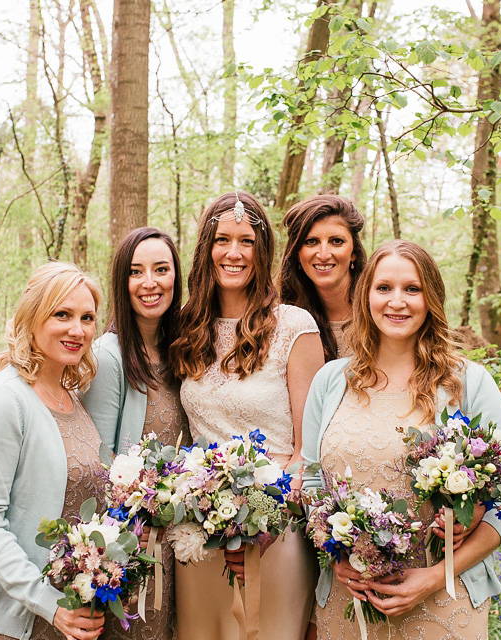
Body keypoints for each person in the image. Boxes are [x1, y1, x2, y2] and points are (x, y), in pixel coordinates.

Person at [301, 240, 501, 639]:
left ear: (431, 298)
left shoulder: (468, 383)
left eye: (412, 289)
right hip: (349, 598)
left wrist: (434, 578)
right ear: (365, 296)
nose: (397, 302)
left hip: (443, 600)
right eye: (384, 288)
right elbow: (311, 482)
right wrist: (334, 554)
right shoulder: (330, 381)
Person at [170, 191, 325, 640]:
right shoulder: (185, 328)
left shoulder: (295, 328)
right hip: (197, 534)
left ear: (263, 252)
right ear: (206, 249)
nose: (234, 253)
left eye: (246, 242)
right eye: (223, 240)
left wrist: (265, 517)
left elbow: (308, 450)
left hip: (273, 531)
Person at [0, 262, 107, 640]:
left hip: (67, 612)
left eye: (87, 318)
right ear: (32, 317)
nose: (77, 329)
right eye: (62, 314)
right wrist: (47, 604)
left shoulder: (71, 398)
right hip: (12, 617)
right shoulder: (2, 401)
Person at [82, 227, 189, 640]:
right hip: (133, 546)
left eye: (161, 269)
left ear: (175, 277)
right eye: (136, 271)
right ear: (121, 282)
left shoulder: (180, 350)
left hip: (180, 540)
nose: (150, 283)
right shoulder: (110, 357)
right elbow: (99, 462)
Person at [279, 195, 367, 361]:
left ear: (354, 252)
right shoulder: (284, 320)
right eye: (311, 242)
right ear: (297, 254)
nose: (324, 254)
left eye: (336, 241)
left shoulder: (378, 312)